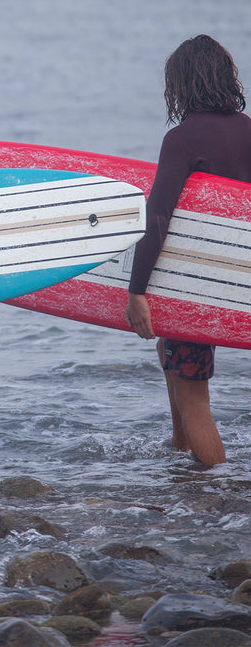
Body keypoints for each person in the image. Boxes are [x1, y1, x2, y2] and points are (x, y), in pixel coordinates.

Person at [125, 35, 251, 466]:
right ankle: (180, 446)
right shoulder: (250, 130)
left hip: (199, 283)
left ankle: (217, 490)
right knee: (168, 349)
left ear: (181, 84)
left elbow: (156, 218)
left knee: (195, 396)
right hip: (239, 280)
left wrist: (136, 290)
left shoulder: (182, 140)